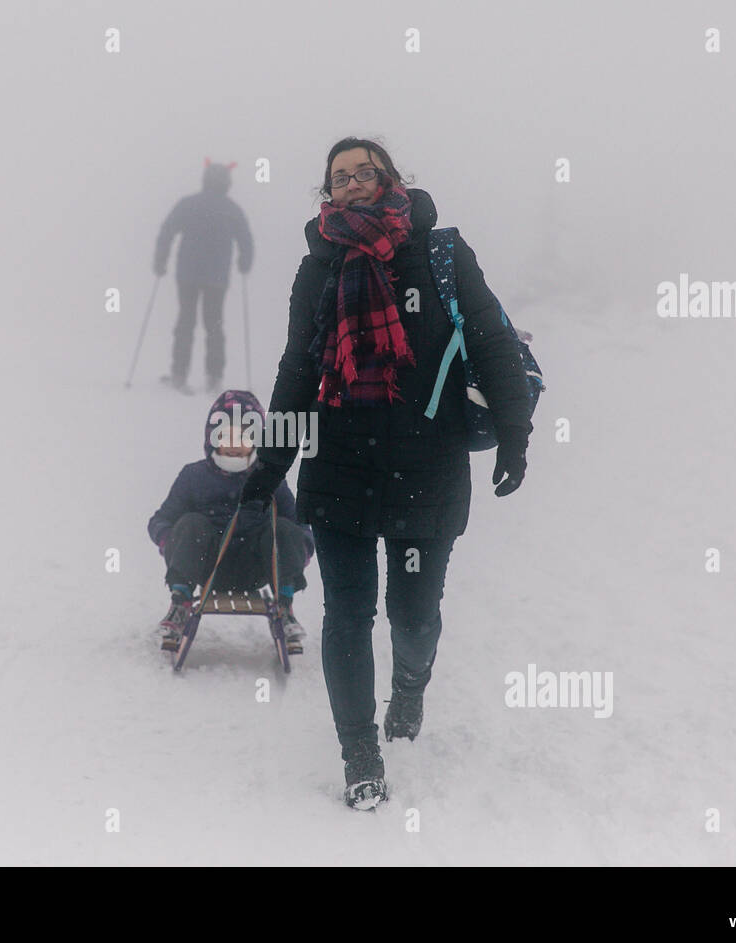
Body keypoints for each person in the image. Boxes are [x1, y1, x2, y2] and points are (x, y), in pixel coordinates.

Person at [240, 138, 534, 810]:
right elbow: (296, 372)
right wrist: (270, 464)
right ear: (327, 191)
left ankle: (408, 689)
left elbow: (490, 340)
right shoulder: (316, 268)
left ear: (390, 178)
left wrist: (515, 433)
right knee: (346, 614)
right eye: (338, 177)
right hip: (341, 465)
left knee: (413, 615)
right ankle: (360, 755)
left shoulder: (441, 253)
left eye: (363, 171)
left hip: (427, 466)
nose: (351, 183)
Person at [149, 389, 315, 651]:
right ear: (213, 438)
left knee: (283, 527)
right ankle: (179, 603)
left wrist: (302, 547)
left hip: (257, 567)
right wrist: (172, 541)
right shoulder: (194, 476)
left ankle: (284, 607)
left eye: (245, 436)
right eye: (226, 435)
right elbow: (161, 520)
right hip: (206, 566)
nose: (235, 444)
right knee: (191, 522)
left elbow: (300, 524)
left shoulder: (269, 478)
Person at [153, 160, 254, 395]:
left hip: (187, 273)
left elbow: (167, 231)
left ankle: (179, 373)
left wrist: (161, 261)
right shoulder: (232, 209)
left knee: (185, 322)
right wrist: (244, 261)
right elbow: (245, 239)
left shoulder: (188, 204)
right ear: (226, 184)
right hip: (217, 277)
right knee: (214, 325)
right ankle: (214, 376)